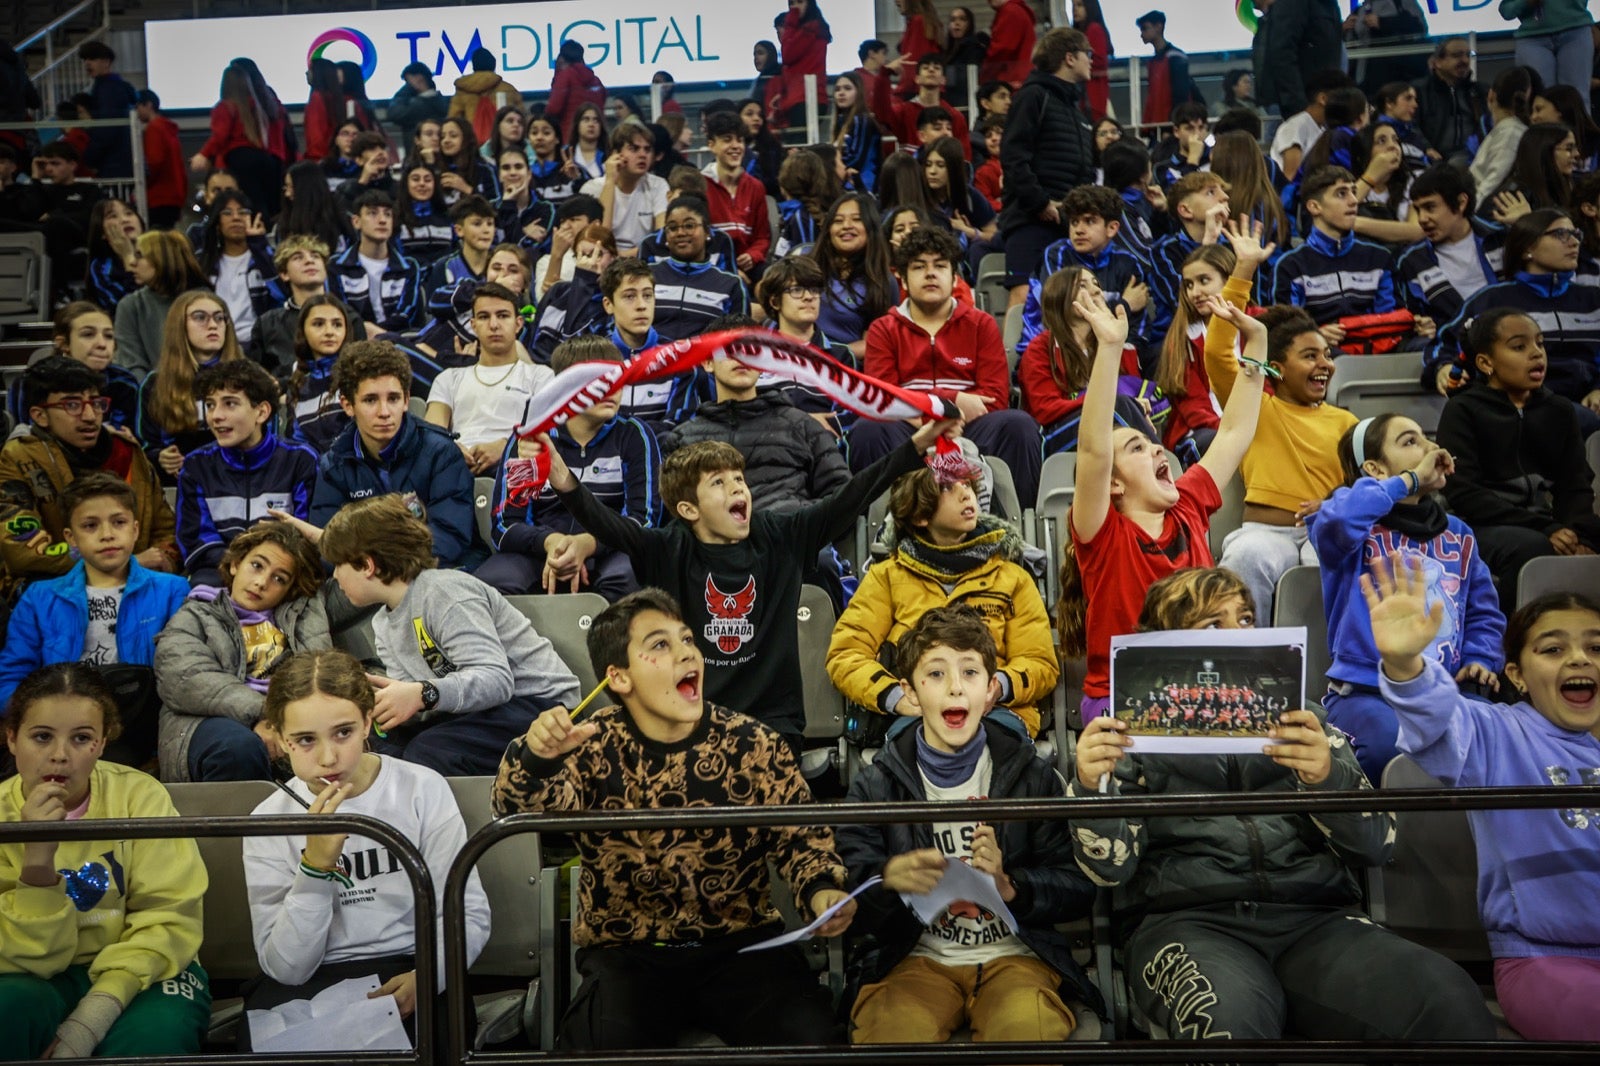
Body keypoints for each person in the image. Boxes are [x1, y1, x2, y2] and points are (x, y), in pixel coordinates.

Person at [1068, 567, 1497, 1046]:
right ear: (1166, 644)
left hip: (1315, 919)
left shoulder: (1304, 719)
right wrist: (1090, 788)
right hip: (1185, 924)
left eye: (1247, 619)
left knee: (1447, 996)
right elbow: (1107, 872)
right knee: (1228, 1026)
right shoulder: (1128, 735)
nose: (1239, 635)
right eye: (1214, 625)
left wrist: (1326, 778)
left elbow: (1377, 845)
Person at [496, 583, 859, 1047]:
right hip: (628, 956)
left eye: (688, 640)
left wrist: (822, 889)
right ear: (619, 678)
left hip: (743, 949)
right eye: (660, 645)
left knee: (811, 1042)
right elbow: (514, 811)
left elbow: (801, 840)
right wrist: (535, 757)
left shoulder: (753, 743)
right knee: (592, 1049)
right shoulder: (589, 744)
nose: (687, 653)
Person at [532, 401, 956, 748]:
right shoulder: (667, 547)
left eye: (739, 479)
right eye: (719, 483)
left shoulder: (781, 535)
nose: (738, 488)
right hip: (692, 719)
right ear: (688, 510)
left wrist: (918, 443)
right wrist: (563, 480)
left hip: (775, 725)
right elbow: (610, 526)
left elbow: (853, 495)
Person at [1367, 557, 1600, 1042]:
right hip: (1544, 962)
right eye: (1553, 649)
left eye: (1596, 648)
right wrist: (1407, 665)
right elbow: (1437, 719)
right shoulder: (1497, 731)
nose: (1580, 660)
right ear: (1515, 674)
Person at [836, 605, 1093, 1044]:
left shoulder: (1031, 776)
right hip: (915, 960)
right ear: (911, 693)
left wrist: (1009, 885)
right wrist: (887, 882)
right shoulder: (876, 783)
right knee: (890, 1034)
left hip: (1015, 959)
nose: (955, 687)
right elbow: (849, 899)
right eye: (935, 674)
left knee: (1028, 1033)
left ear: (991, 690)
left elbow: (1077, 887)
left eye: (970, 672)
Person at [1062, 224, 1270, 720]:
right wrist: (1110, 349)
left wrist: (1257, 343)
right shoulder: (1102, 533)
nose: (1158, 452)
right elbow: (1092, 451)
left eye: (1155, 445)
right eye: (1137, 446)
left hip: (1205, 685)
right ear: (1114, 484)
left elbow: (1236, 430)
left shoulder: (1189, 500)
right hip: (1121, 696)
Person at [239, 648, 489, 1054]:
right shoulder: (269, 819)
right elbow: (287, 967)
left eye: (344, 732)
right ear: (283, 742)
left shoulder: (421, 789)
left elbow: (469, 913)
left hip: (412, 962)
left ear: (368, 722)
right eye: (305, 740)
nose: (328, 757)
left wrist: (427, 976)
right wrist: (315, 869)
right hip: (312, 977)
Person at [0, 663, 211, 1059]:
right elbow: (20, 957)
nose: (60, 756)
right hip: (35, 974)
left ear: (101, 743)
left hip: (142, 970)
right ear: (11, 739)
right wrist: (38, 863)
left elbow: (169, 918)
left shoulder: (140, 797)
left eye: (81, 739)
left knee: (156, 1036)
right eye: (41, 737)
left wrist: (92, 1018)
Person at [1307, 414, 1504, 781]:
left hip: (1440, 689)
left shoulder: (1459, 533)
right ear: (1375, 468)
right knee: (1388, 744)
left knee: (1492, 738)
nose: (1430, 449)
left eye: (1427, 440)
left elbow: (1482, 611)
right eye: (1410, 442)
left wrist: (1480, 656)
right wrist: (1409, 481)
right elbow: (1338, 520)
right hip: (1364, 694)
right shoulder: (1350, 527)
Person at [317, 493, 577, 770]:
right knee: (381, 754)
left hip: (541, 707)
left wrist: (422, 694)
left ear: (367, 565)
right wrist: (378, 706)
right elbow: (421, 703)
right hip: (473, 712)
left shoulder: (444, 591)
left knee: (429, 752)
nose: (334, 578)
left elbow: (497, 681)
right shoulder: (382, 623)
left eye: (338, 565)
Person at [828, 463, 1058, 737]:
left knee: (1001, 746)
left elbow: (1040, 662)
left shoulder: (1013, 578)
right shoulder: (887, 577)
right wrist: (897, 697)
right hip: (918, 714)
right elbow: (846, 655)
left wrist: (997, 687)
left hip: (995, 713)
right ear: (920, 515)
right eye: (948, 487)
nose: (966, 495)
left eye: (968, 485)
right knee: (910, 748)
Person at [0, 474, 187, 767]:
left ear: (136, 530)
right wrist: (40, 723)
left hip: (139, 721)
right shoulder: (40, 598)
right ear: (70, 538)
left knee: (109, 763)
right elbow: (12, 675)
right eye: (90, 525)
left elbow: (181, 669)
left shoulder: (171, 591)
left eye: (119, 522)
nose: (107, 534)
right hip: (60, 724)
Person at [854, 227, 1044, 505]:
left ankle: (1020, 527)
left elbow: (995, 397)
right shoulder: (884, 328)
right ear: (903, 279)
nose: (930, 274)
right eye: (919, 267)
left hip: (971, 426)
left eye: (940, 266)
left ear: (954, 277)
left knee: (1018, 425)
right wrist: (952, 401)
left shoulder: (981, 324)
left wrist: (947, 416)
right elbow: (884, 397)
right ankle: (873, 528)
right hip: (908, 429)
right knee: (867, 429)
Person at [1435, 307, 1600, 595]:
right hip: (1478, 524)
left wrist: (1578, 533)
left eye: (1539, 343)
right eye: (1519, 347)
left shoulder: (1559, 410)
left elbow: (1575, 484)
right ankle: (1510, 633)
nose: (1536, 353)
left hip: (1542, 520)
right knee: (1532, 546)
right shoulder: (1462, 410)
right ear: (1486, 363)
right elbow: (1464, 493)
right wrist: (1546, 528)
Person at [481, 336, 656, 600]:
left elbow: (643, 521)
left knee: (627, 577)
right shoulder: (532, 439)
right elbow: (506, 525)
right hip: (544, 552)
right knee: (488, 584)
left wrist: (588, 544)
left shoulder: (634, 436)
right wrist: (552, 543)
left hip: (611, 549)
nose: (612, 390)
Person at [152, 522, 329, 782]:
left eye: (279, 578)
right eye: (257, 565)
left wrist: (324, 540)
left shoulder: (304, 612)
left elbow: (365, 577)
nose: (261, 582)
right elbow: (185, 678)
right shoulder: (195, 614)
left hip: (291, 721)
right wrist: (269, 714)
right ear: (235, 564)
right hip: (205, 722)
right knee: (239, 748)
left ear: (290, 589)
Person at [0, 355, 180, 601]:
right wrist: (125, 563)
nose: (89, 416)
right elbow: (23, 550)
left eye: (96, 403)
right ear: (40, 415)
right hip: (56, 588)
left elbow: (166, 530)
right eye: (72, 405)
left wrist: (162, 560)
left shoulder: (127, 452)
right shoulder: (17, 458)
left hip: (139, 587)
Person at [308, 341, 482, 571]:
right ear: (348, 405)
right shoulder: (334, 465)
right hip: (367, 578)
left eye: (393, 398)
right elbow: (330, 544)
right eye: (370, 400)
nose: (384, 412)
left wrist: (387, 570)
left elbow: (450, 537)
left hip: (439, 571)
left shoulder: (441, 452)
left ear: (406, 400)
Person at [1426, 209, 1600, 432]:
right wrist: (1443, 367)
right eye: (1560, 234)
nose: (1574, 242)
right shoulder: (1493, 300)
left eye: (1575, 234)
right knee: (1572, 417)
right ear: (1527, 248)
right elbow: (1445, 344)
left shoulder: (1593, 300)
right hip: (1520, 405)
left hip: (1587, 403)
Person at [177, 360, 318, 584]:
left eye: (230, 404)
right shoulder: (197, 465)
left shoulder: (300, 460)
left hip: (284, 574)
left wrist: (262, 567)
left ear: (261, 412)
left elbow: (305, 536)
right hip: (218, 574)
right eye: (211, 405)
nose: (215, 416)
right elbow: (196, 542)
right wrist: (242, 566)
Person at [1018, 267, 1161, 457]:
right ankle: (1162, 469)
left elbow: (1130, 394)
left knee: (1122, 407)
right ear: (1059, 295)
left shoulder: (1119, 346)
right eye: (1082, 286)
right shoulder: (1041, 349)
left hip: (1113, 430)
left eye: (1096, 284)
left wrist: (1138, 408)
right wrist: (1103, 401)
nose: (1096, 291)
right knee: (1117, 406)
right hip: (1058, 436)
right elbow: (1044, 410)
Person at [998, 28, 1095, 305]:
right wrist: (1040, 203)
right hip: (1030, 219)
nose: (1092, 60)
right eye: (1087, 54)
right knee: (1025, 294)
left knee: (1070, 300)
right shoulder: (1033, 96)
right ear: (1069, 57)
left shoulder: (1076, 110)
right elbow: (1013, 156)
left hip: (1068, 221)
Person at [424, 281, 552, 475]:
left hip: (516, 468)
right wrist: (451, 450)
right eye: (484, 317)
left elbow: (549, 434)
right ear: (473, 325)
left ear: (518, 324)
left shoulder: (540, 376)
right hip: (458, 470)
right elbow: (432, 436)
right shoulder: (449, 378)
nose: (494, 325)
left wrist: (506, 448)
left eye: (502, 315)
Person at [1271, 166, 1398, 335]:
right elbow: (1286, 331)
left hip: (1378, 346)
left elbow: (1392, 318)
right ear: (1315, 207)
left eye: (1353, 192)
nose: (1354, 200)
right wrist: (1317, 335)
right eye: (1341, 193)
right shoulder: (1291, 266)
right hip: (1320, 355)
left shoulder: (1379, 258)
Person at [137, 291, 245, 481]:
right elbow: (145, 446)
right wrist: (160, 457)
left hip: (239, 479)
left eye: (220, 318)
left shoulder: (248, 377)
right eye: (200, 317)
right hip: (178, 483)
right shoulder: (155, 384)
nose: (213, 325)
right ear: (179, 326)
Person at [1394, 163, 1502, 330]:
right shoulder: (1411, 260)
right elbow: (1410, 317)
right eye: (1417, 209)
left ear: (1461, 203)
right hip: (1450, 344)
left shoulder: (1501, 240)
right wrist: (1420, 326)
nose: (1422, 218)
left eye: (1430, 207)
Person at [8, 302, 138, 435]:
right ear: (63, 344)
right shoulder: (27, 384)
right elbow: (27, 438)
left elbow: (124, 438)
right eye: (88, 334)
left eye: (109, 336)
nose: (102, 344)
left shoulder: (124, 383)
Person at [193, 62, 292, 221]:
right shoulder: (261, 106)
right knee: (269, 206)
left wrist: (203, 154)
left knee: (247, 204)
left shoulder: (225, 107)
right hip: (268, 159)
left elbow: (220, 135)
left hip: (239, 159)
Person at [647, 198, 748, 342]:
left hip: (704, 362)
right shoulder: (647, 275)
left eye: (689, 225)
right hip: (649, 360)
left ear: (707, 231)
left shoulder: (731, 284)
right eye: (673, 227)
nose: (680, 233)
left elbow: (739, 340)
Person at [814, 192, 900, 356]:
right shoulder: (807, 264)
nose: (846, 225)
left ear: (871, 228)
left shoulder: (883, 281)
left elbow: (875, 343)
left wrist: (829, 355)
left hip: (843, 367)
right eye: (838, 221)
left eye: (857, 219)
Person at [328, 189, 422, 334]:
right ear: (356, 221)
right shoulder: (337, 266)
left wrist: (378, 334)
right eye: (372, 213)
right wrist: (365, 331)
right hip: (352, 342)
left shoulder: (409, 267)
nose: (382, 220)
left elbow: (406, 315)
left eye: (387, 214)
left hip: (399, 341)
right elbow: (339, 314)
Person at [197, 190, 281, 350]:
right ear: (217, 223)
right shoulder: (204, 263)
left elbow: (282, 294)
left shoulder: (267, 258)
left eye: (243, 212)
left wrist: (259, 246)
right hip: (215, 346)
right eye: (227, 213)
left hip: (260, 347)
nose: (236, 218)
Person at [249, 235, 335, 380]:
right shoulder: (267, 324)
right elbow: (257, 377)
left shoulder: (348, 316)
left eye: (315, 256)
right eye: (298, 257)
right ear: (284, 274)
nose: (309, 261)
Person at [284, 295, 360, 452]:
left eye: (337, 325)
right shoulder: (297, 387)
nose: (329, 332)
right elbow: (297, 447)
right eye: (318, 324)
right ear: (303, 331)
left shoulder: (358, 375)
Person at [580, 124, 668, 257]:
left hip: (642, 259)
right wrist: (610, 181)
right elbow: (599, 238)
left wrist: (620, 255)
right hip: (600, 260)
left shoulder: (658, 185)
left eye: (647, 149)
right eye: (634, 149)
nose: (642, 155)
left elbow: (662, 237)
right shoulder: (592, 188)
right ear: (615, 154)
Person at [1501, 0, 1594, 112]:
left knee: (1577, 97)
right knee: (1540, 100)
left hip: (1575, 31)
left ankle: (1579, 129)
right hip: (1533, 38)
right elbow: (1507, 10)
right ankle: (1545, 129)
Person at [1271, 69, 1352, 182]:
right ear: (1323, 99)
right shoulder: (1294, 127)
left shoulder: (1324, 128)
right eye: (1342, 99)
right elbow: (1290, 178)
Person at [1414, 38, 1484, 165]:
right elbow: (1410, 125)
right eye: (1457, 55)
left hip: (1474, 158)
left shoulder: (1478, 91)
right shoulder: (1419, 91)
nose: (1465, 60)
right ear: (1437, 62)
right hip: (1434, 159)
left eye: (1468, 55)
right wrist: (1425, 148)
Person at [1470, 67, 1535, 202]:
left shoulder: (1511, 133)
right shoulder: (1504, 130)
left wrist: (1469, 213)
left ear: (1491, 95)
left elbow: (1493, 181)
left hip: (1483, 210)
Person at [76, 41, 137, 179]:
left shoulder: (108, 89)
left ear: (106, 62)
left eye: (92, 59)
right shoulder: (113, 86)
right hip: (118, 161)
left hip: (113, 163)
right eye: (85, 59)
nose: (87, 63)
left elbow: (107, 129)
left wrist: (90, 158)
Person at [1136, 10, 1202, 131]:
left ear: (1158, 27)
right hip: (1161, 125)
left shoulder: (1175, 56)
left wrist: (1173, 125)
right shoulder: (1154, 61)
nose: (1141, 34)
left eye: (1145, 28)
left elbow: (1180, 95)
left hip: (1172, 125)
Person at [134, 90, 186, 230]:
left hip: (158, 197)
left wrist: (140, 186)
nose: (136, 112)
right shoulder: (168, 130)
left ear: (148, 105)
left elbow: (154, 163)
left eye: (137, 106)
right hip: (173, 197)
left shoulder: (154, 129)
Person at [776, 0, 832, 127]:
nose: (794, 7)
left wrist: (790, 23)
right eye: (791, 4)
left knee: (797, 144)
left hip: (804, 98)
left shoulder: (809, 29)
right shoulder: (814, 29)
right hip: (807, 97)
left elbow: (787, 55)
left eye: (800, 2)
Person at [449, 47, 523, 143]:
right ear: (494, 65)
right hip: (503, 142)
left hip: (472, 143)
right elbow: (521, 117)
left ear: (473, 66)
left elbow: (454, 120)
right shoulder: (508, 89)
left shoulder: (462, 90)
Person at [83, 198, 142, 314]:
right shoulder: (100, 266)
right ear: (102, 232)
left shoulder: (159, 255)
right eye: (113, 216)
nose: (125, 220)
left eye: (129, 213)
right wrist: (128, 256)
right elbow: (129, 309)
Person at [546, 41, 607, 147]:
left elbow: (553, 108)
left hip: (570, 137)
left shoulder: (565, 76)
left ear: (562, 58)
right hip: (596, 139)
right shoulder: (596, 80)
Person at [388, 62, 448, 150]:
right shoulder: (442, 102)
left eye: (408, 81)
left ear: (419, 78)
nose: (407, 85)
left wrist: (404, 90)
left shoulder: (416, 105)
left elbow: (394, 114)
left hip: (415, 154)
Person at [1072, 0, 1113, 120]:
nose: (1075, 9)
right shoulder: (1081, 31)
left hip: (1093, 93)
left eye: (1079, 5)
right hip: (1086, 94)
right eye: (1073, 6)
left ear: (1090, 7)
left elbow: (1100, 61)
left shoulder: (1094, 29)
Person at [984, 0, 1038, 88]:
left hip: (1012, 81)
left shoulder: (1010, 12)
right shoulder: (1016, 10)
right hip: (1019, 78)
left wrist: (984, 73)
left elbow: (1002, 50)